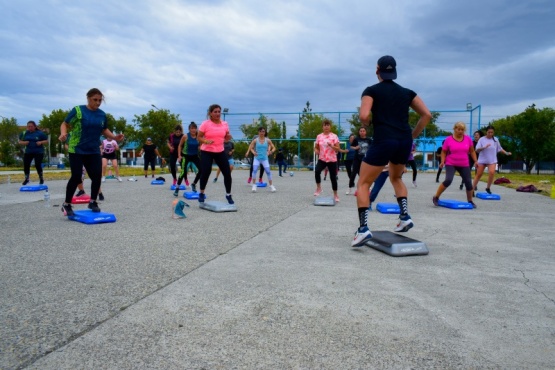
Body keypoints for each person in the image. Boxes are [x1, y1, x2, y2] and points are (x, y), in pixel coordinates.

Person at [352, 55, 431, 247]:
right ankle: (404, 216)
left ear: (377, 70)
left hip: (384, 140)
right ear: (394, 70)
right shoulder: (407, 92)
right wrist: (412, 135)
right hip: (403, 140)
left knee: (363, 183)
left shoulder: (371, 90)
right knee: (396, 178)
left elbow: (363, 115)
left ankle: (363, 229)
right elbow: (426, 115)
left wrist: (368, 122)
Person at [59, 88, 124, 216]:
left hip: (93, 149)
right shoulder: (78, 110)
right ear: (88, 98)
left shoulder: (101, 114)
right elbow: (64, 124)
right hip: (76, 148)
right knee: (77, 176)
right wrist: (63, 133)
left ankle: (93, 201)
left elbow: (104, 129)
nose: (98, 103)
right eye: (95, 100)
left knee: (96, 176)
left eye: (100, 100)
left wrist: (114, 137)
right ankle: (66, 204)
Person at [432, 122, 478, 208]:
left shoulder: (468, 139)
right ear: (455, 129)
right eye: (458, 129)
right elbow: (444, 151)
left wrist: (476, 161)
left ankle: (470, 201)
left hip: (464, 163)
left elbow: (472, 151)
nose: (460, 131)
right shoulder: (448, 139)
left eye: (462, 130)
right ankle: (436, 197)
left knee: (468, 182)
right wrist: (442, 161)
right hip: (451, 163)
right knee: (448, 180)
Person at [197, 104, 234, 204]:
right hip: (207, 151)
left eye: (219, 111)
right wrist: (205, 141)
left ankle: (228, 195)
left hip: (220, 151)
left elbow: (226, 138)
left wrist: (228, 137)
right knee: (206, 172)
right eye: (215, 112)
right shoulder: (205, 124)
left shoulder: (225, 124)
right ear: (210, 113)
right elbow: (199, 137)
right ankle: (201, 193)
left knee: (227, 172)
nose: (218, 113)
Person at [472, 125, 511, 194]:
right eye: (488, 132)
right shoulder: (482, 139)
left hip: (492, 160)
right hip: (482, 160)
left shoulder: (495, 140)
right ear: (486, 132)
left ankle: (488, 188)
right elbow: (477, 150)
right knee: (479, 174)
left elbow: (500, 148)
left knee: (492, 172)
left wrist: (506, 153)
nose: (490, 134)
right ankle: (472, 189)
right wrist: (484, 147)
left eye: (491, 132)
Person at [314, 119, 341, 202]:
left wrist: (332, 146)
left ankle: (335, 195)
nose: (326, 127)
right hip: (322, 158)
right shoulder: (319, 136)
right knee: (317, 171)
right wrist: (316, 150)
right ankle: (319, 188)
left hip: (332, 159)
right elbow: (316, 147)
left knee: (333, 178)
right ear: (322, 127)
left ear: (330, 127)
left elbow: (338, 148)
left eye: (328, 125)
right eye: (324, 125)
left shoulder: (334, 136)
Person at [174, 122, 201, 196]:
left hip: (195, 156)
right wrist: (179, 156)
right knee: (183, 172)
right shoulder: (185, 136)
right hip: (186, 156)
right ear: (189, 129)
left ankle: (194, 184)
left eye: (195, 128)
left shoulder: (198, 137)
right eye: (192, 128)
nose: (193, 130)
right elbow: (180, 146)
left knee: (201, 170)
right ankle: (177, 188)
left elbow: (200, 146)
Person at [247, 127, 276, 193]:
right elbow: (251, 148)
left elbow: (274, 147)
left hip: (264, 158)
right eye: (260, 131)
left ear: (264, 132)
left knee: (268, 172)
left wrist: (270, 152)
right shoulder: (255, 140)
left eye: (263, 131)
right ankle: (254, 185)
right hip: (257, 158)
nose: (262, 133)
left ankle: (271, 186)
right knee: (254, 170)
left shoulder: (268, 140)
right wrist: (253, 152)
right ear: (258, 132)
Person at [19, 120, 48, 185]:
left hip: (38, 152)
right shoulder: (24, 133)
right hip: (28, 151)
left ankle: (41, 178)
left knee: (37, 164)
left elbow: (46, 141)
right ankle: (27, 178)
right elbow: (20, 141)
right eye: (28, 126)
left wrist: (41, 142)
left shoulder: (40, 133)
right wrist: (24, 143)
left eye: (31, 126)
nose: (30, 128)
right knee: (26, 164)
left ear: (35, 126)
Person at [347, 127, 372, 195]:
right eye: (361, 131)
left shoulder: (369, 139)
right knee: (353, 173)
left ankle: (368, 187)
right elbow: (351, 146)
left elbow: (373, 147)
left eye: (363, 131)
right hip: (357, 158)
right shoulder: (356, 139)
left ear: (365, 132)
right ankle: (350, 188)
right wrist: (355, 148)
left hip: (365, 159)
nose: (362, 132)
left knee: (365, 174)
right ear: (359, 132)